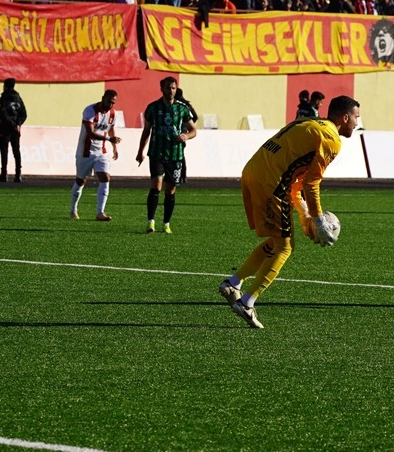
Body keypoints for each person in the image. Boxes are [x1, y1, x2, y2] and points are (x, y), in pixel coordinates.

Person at [218, 95, 361, 328]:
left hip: (253, 172)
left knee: (276, 241)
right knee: (285, 247)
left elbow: (295, 178)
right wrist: (319, 220)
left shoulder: (310, 124)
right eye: (356, 117)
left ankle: (233, 283)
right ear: (345, 118)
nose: (357, 122)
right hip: (271, 182)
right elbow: (310, 183)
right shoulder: (331, 138)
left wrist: (304, 212)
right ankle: (247, 302)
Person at [137, 76, 198, 234]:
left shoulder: (182, 108)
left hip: (175, 155)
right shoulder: (153, 108)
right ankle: (150, 223)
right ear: (161, 89)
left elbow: (193, 131)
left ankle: (166, 224)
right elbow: (146, 131)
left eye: (173, 88)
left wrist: (186, 136)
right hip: (157, 152)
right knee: (156, 185)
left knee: (170, 190)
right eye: (168, 88)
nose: (171, 91)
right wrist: (140, 152)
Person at [71, 90, 119, 221]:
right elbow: (91, 133)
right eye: (109, 101)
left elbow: (110, 129)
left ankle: (100, 212)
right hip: (85, 152)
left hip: (101, 152)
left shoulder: (113, 114)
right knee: (81, 181)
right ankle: (73, 209)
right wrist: (109, 140)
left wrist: (114, 147)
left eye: (113, 102)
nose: (110, 105)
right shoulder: (90, 111)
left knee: (105, 177)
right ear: (103, 98)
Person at [0, 78, 28, 182]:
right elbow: (24, 113)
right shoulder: (18, 98)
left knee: (4, 150)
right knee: (16, 151)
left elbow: (3, 112)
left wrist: (11, 124)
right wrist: (18, 123)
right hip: (16, 128)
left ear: (5, 86)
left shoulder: (4, 98)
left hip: (5, 128)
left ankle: (4, 174)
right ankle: (18, 175)